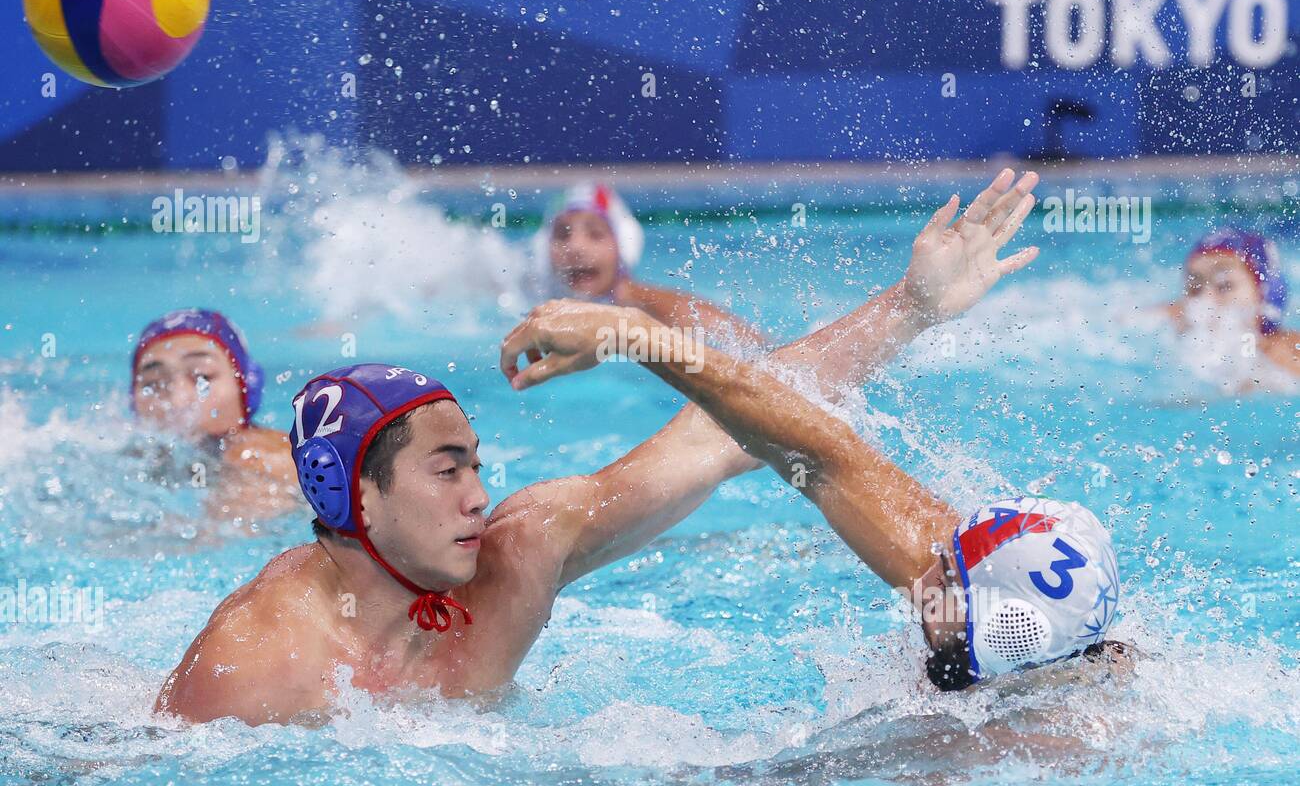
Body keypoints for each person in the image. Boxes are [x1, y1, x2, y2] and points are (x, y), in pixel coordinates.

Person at [155, 169, 1039, 726]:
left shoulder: (521, 551)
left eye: (476, 465)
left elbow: (726, 434)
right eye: (445, 469)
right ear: (353, 495)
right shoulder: (257, 665)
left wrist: (908, 308)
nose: (478, 497)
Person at [500, 294, 1125, 690]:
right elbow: (814, 450)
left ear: (1008, 633)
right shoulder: (1013, 623)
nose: (924, 577)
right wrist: (915, 303)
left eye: (947, 579)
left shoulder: (1026, 734)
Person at [533, 182, 766, 346]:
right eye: (562, 235)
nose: (575, 249)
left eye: (595, 234)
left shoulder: (643, 304)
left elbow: (747, 344)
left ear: (623, 248)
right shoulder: (529, 296)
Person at [131, 309, 298, 519]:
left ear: (246, 386)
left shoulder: (261, 457)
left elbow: (222, 541)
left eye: (202, 376)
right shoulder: (137, 456)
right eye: (154, 383)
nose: (177, 400)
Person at [1165, 227, 1299, 384]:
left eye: (1224, 285)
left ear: (1264, 293)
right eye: (1195, 287)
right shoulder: (1181, 321)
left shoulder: (1285, 350)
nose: (1206, 299)